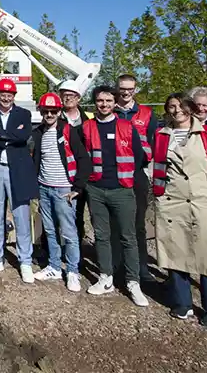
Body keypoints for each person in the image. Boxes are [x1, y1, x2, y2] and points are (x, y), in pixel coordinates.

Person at [153, 93, 207, 329]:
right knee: (176, 253)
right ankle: (182, 302)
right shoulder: (162, 136)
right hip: (172, 201)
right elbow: (157, 167)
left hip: (203, 202)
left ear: (189, 108)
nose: (176, 111)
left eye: (180, 106)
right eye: (171, 107)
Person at [83, 85, 149, 306]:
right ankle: (106, 277)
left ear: (115, 103)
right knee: (101, 235)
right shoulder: (87, 127)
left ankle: (133, 282)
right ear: (95, 103)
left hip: (122, 189)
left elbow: (140, 156)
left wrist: (126, 178)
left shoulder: (126, 127)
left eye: (109, 101)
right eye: (100, 101)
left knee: (127, 237)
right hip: (96, 189)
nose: (104, 105)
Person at [0, 78, 38, 283]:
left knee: (21, 215)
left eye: (9, 94)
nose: (5, 97)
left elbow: (23, 136)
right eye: (2, 93)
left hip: (17, 171)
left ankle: (25, 261)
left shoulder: (23, 114)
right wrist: (10, 136)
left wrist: (0, 134)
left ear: (14, 95)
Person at [30, 93, 91, 292]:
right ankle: (54, 266)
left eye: (53, 111)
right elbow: (36, 159)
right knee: (49, 230)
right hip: (44, 187)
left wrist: (77, 188)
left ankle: (72, 271)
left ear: (59, 111)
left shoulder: (68, 131)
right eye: (46, 111)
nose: (49, 114)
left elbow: (83, 159)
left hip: (64, 189)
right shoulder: (38, 132)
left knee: (69, 232)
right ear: (40, 111)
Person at [114, 74, 158, 284]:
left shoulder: (147, 114)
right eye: (122, 88)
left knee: (138, 222)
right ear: (117, 88)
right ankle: (116, 264)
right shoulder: (108, 110)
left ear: (135, 89)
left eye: (130, 89)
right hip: (113, 174)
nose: (125, 93)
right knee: (115, 222)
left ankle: (141, 266)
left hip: (136, 174)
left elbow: (153, 142)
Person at [58, 79, 94, 243]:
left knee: (86, 213)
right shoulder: (56, 119)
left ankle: (81, 249)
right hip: (65, 173)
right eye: (64, 95)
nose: (68, 99)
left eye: (71, 95)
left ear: (78, 98)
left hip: (88, 173)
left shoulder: (89, 119)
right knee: (65, 214)